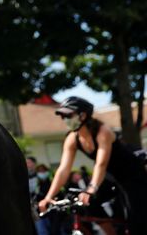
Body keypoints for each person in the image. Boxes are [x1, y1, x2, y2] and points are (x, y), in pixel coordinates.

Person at [37, 96, 147, 235]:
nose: (64, 119)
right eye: (62, 116)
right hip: (109, 176)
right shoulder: (72, 138)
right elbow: (63, 169)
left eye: (68, 115)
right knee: (88, 204)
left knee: (137, 222)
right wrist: (49, 197)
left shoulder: (103, 132)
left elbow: (101, 163)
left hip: (133, 175)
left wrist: (91, 189)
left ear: (83, 115)